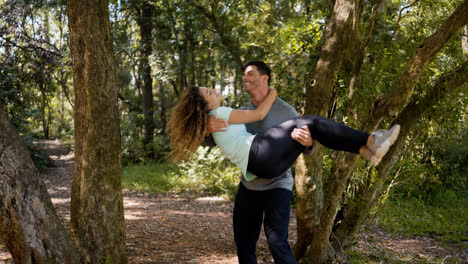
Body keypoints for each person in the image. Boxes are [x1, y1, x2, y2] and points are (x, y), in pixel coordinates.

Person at [167, 61, 400, 263]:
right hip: (254, 175)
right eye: (208, 92)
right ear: (205, 107)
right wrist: (206, 127)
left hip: (273, 173)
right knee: (244, 241)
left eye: (249, 74)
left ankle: (366, 146)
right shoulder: (231, 112)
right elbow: (225, 131)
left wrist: (307, 141)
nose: (244, 78)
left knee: (277, 240)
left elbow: (306, 145)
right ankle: (369, 143)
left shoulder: (285, 111)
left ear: (263, 78)